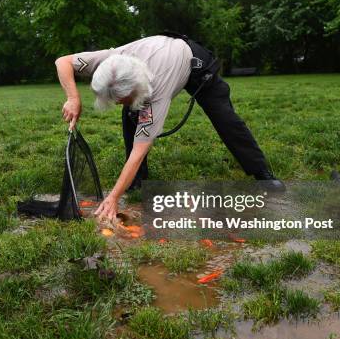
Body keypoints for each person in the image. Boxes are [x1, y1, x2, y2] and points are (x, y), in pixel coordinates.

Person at [55, 33, 285, 221]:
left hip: (196, 66)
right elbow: (62, 62)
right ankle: (138, 181)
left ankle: (260, 172)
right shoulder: (111, 59)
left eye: (120, 99)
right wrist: (73, 98)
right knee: (131, 115)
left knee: (225, 118)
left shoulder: (156, 92)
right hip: (154, 63)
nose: (115, 104)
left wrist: (113, 197)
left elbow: (139, 149)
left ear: (137, 89)